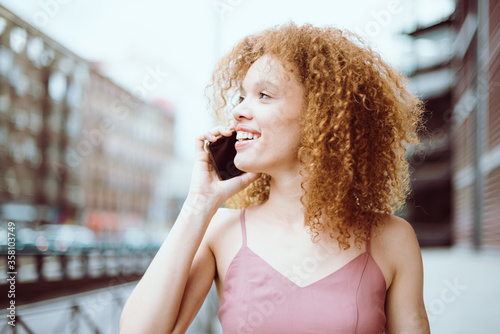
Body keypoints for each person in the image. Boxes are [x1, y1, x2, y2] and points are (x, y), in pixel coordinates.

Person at [120, 23, 430, 334]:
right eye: (242, 96)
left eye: (264, 95)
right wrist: (200, 203)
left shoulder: (392, 238)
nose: (239, 110)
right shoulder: (221, 231)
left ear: (320, 116)